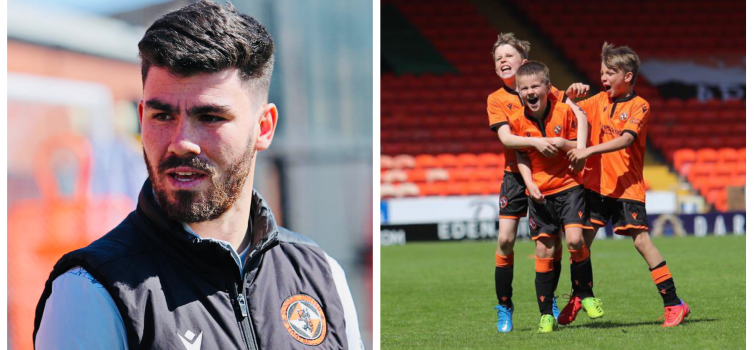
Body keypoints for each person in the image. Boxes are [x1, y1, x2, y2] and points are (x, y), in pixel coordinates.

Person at [33, 1, 363, 348]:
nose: (181, 143)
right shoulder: (90, 291)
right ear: (142, 116)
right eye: (162, 116)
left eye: (210, 118)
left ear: (263, 128)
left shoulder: (322, 275)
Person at [565, 42, 690, 327]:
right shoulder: (596, 102)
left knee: (642, 242)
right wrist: (568, 97)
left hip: (626, 187)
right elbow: (564, 113)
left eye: (610, 72)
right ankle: (580, 295)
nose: (603, 77)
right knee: (580, 244)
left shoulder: (639, 105)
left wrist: (587, 151)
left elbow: (625, 139)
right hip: (595, 186)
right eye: (601, 72)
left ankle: (673, 303)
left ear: (628, 76)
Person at [486, 32, 587, 333]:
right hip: (515, 175)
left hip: (548, 175)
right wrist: (541, 140)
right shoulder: (496, 99)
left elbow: (571, 107)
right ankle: (505, 305)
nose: (503, 60)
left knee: (550, 245)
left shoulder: (542, 87)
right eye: (498, 58)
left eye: (508, 55)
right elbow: (505, 138)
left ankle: (549, 301)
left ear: (524, 62)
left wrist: (576, 92)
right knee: (505, 240)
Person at [509, 61, 603, 333]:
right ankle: (545, 314)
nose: (529, 91)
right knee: (544, 251)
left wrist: (565, 145)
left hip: (569, 187)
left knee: (575, 240)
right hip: (540, 194)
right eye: (524, 88)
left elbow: (580, 144)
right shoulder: (516, 120)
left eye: (535, 86)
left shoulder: (564, 111)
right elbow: (521, 155)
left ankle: (585, 293)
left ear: (548, 88)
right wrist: (529, 183)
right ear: (518, 92)